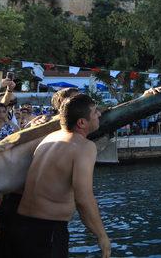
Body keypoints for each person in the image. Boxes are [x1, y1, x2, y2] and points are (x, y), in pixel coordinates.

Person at [12, 94, 110, 258]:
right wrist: (102, 235)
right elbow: (83, 198)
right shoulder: (84, 147)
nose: (99, 114)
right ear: (81, 122)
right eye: (94, 112)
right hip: (46, 230)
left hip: (20, 224)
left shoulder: (50, 138)